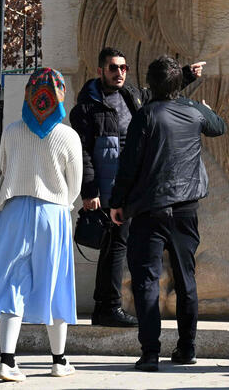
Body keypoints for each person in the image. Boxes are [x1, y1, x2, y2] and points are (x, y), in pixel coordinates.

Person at [69, 47, 203, 328]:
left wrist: (186, 76)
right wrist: (90, 191)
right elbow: (81, 152)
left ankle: (107, 306)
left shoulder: (131, 96)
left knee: (118, 246)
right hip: (106, 188)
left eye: (123, 68)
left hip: (131, 185)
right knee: (114, 247)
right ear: (100, 71)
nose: (119, 73)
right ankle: (107, 307)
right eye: (113, 68)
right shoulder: (86, 107)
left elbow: (160, 95)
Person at [108, 55, 225, 372]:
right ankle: (187, 349)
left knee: (146, 281)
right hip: (186, 209)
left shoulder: (146, 116)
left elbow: (128, 166)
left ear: (150, 84)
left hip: (150, 209)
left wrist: (117, 203)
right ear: (178, 84)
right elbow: (218, 127)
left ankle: (150, 353)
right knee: (187, 279)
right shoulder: (193, 111)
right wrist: (207, 109)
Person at [0, 67, 83, 382]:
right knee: (55, 283)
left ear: (28, 95)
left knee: (12, 284)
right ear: (60, 96)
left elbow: (4, 168)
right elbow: (74, 186)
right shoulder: (68, 136)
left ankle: (8, 360)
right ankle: (59, 360)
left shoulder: (12, 130)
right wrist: (59, 199)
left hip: (15, 211)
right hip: (54, 213)